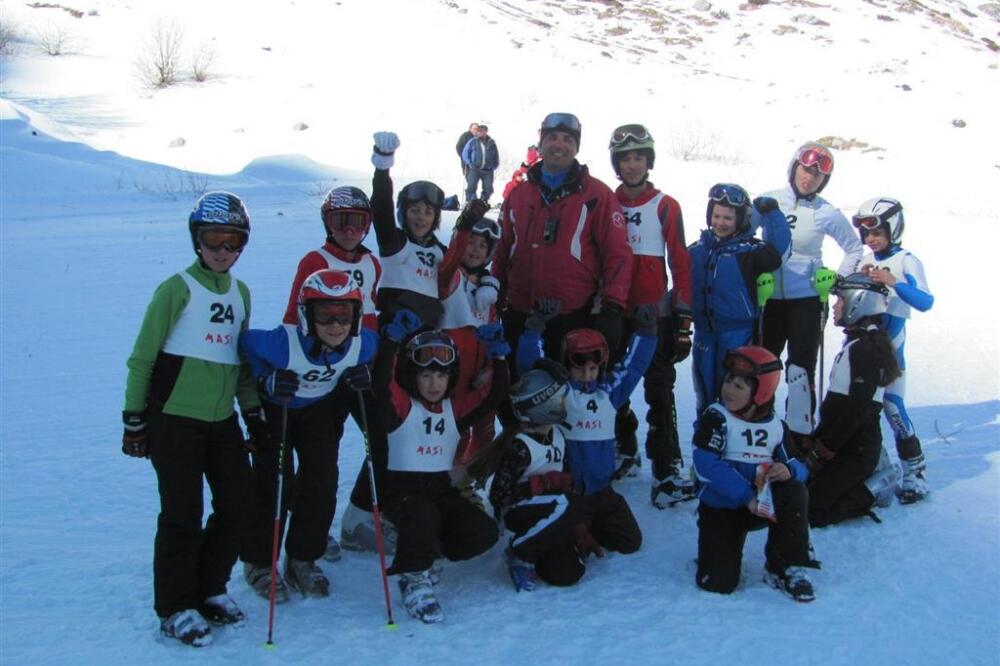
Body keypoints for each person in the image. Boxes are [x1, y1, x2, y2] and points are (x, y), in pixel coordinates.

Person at [121, 191, 258, 647]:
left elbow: (239, 364)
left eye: (231, 241)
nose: (221, 250)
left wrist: (253, 413)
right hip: (174, 421)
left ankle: (211, 588)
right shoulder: (176, 288)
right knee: (183, 514)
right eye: (212, 239)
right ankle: (176, 605)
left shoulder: (241, 293)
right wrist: (134, 419)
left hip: (222, 422)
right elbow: (142, 359)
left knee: (237, 506)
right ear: (196, 241)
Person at [239, 269, 378, 601]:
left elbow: (372, 348)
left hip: (316, 410)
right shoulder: (283, 344)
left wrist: (359, 375)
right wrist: (265, 380)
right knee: (275, 485)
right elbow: (246, 344)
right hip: (279, 410)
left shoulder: (361, 345)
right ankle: (258, 562)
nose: (335, 324)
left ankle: (302, 556)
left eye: (344, 314)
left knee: (322, 480)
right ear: (306, 314)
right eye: (324, 314)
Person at [374, 309, 510, 623]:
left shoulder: (453, 409)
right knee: (422, 514)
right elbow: (382, 383)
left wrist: (498, 358)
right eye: (426, 375)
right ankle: (413, 575)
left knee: (483, 532)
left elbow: (492, 397)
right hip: (400, 491)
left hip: (438, 488)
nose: (434, 383)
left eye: (441, 375)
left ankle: (429, 549)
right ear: (412, 375)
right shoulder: (403, 407)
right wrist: (392, 343)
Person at [277, 186, 382, 561]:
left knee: (383, 440)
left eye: (358, 222)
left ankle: (361, 518)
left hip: (358, 372)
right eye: (341, 222)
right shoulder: (315, 259)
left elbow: (370, 315)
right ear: (327, 222)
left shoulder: (372, 264)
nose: (349, 230)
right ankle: (311, 529)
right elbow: (295, 316)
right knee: (321, 458)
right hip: (321, 374)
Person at [493, 112, 633, 374]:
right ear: (541, 143)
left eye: (568, 139)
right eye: (553, 137)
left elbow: (618, 254)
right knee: (515, 395)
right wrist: (493, 300)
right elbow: (502, 251)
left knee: (568, 403)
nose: (560, 144)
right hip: (521, 312)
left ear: (576, 147)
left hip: (572, 317)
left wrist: (612, 308)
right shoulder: (520, 194)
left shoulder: (596, 194)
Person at [515, 303, 658, 559]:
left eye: (593, 368)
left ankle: (590, 526)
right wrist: (535, 326)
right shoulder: (559, 393)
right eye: (579, 367)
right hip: (570, 492)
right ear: (566, 364)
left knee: (629, 542)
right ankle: (569, 529)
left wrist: (647, 332)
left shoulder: (608, 393)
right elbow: (530, 368)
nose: (586, 374)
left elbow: (633, 366)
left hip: (602, 490)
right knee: (568, 554)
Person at [605, 124, 694, 502]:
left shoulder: (665, 204)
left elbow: (681, 260)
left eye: (638, 157)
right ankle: (625, 450)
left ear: (649, 161)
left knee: (660, 392)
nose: (632, 165)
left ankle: (667, 467)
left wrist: (683, 317)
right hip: (615, 310)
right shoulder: (608, 202)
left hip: (654, 314)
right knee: (614, 388)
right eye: (624, 158)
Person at [692, 346, 816, 602]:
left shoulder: (775, 426)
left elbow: (801, 466)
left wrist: (789, 469)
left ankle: (785, 565)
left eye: (739, 386)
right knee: (719, 584)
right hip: (724, 508)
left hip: (761, 506)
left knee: (793, 490)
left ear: (761, 391)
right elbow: (706, 463)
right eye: (728, 381)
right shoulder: (715, 418)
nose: (729, 390)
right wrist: (746, 496)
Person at [760, 142, 864, 438]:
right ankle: (761, 427)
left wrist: (838, 281)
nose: (810, 178)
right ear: (794, 167)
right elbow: (742, 231)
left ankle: (799, 437)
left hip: (806, 301)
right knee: (764, 364)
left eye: (818, 176)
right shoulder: (769, 201)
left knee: (800, 371)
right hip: (769, 301)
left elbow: (854, 248)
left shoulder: (825, 212)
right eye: (806, 169)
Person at [473, 365, 602, 590]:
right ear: (543, 406)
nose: (564, 404)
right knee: (569, 502)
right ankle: (519, 552)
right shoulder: (521, 446)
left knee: (569, 573)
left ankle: (538, 553)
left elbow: (566, 485)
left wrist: (578, 530)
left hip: (551, 513)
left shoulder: (558, 436)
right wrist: (538, 486)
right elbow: (499, 497)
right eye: (559, 400)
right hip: (521, 513)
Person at [795, 273, 902, 525]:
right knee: (794, 495)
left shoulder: (866, 348)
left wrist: (827, 447)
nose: (835, 306)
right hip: (842, 445)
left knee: (810, 512)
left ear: (859, 301)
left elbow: (858, 409)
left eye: (840, 300)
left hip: (857, 451)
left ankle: (874, 489)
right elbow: (836, 406)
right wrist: (816, 439)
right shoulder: (856, 343)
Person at [855, 198, 934, 503]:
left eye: (877, 233)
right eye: (866, 235)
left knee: (892, 408)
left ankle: (914, 469)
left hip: (892, 348)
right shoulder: (865, 258)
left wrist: (892, 281)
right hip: (864, 346)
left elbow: (925, 301)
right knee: (864, 409)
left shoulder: (906, 260)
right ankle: (873, 466)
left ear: (894, 228)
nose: (871, 240)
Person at [690, 184, 790, 413]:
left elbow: (780, 252)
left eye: (728, 217)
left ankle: (735, 442)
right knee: (704, 392)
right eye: (716, 216)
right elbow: (682, 287)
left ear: (742, 219)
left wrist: (772, 214)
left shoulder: (750, 251)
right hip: (704, 335)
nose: (720, 223)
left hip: (738, 336)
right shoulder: (697, 250)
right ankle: (705, 441)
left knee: (736, 395)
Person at [438, 200, 503, 465]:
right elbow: (451, 260)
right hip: (451, 373)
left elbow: (495, 333)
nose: (475, 249)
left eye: (482, 245)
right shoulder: (450, 277)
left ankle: (471, 484)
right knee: (457, 432)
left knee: (485, 430)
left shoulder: (489, 292)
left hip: (479, 375)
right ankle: (448, 481)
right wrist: (464, 224)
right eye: (470, 241)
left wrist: (490, 368)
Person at [370, 130, 448, 327]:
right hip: (393, 330)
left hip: (429, 334)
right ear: (403, 214)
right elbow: (381, 207)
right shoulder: (394, 242)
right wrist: (382, 167)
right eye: (415, 210)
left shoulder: (440, 251)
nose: (421, 217)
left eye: (428, 212)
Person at [461, 123, 500, 205]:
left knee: (488, 188)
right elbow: (465, 152)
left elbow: (496, 154)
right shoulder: (473, 141)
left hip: (488, 170)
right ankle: (471, 202)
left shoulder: (491, 142)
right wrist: (469, 163)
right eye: (479, 131)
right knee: (471, 186)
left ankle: (483, 202)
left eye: (483, 131)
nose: (481, 133)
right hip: (475, 168)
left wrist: (495, 165)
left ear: (486, 132)